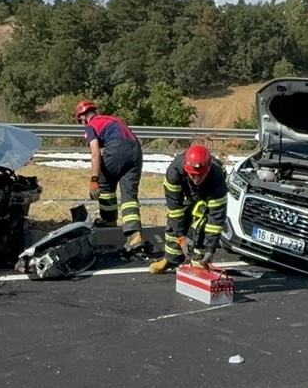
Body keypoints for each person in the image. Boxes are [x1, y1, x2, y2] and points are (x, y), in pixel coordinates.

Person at [75, 100, 149, 254]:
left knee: (105, 182)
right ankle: (135, 235)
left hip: (117, 148)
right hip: (136, 151)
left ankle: (109, 219)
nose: (81, 123)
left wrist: (94, 180)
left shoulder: (91, 126)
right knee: (129, 196)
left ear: (83, 116)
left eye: (80, 120)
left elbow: (95, 154)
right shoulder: (111, 119)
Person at [150, 144, 227, 274]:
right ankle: (171, 259)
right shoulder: (174, 172)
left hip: (208, 194)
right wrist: (181, 238)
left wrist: (210, 248)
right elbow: (175, 208)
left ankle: (199, 261)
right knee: (175, 221)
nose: (196, 179)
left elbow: (216, 218)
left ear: (208, 170)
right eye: (193, 175)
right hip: (186, 193)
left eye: (200, 175)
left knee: (201, 223)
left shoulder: (217, 178)